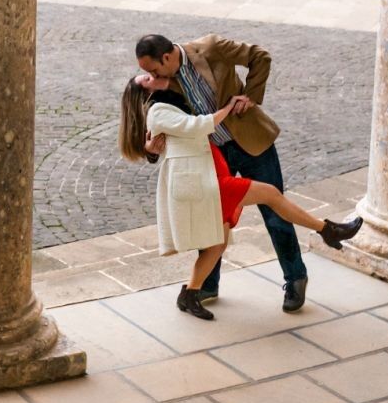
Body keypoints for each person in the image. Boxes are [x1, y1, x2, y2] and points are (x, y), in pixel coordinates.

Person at [120, 74, 362, 320]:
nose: (155, 75)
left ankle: (190, 294)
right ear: (144, 93)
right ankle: (326, 229)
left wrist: (150, 148)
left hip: (212, 167)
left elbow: (169, 137)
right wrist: (227, 107)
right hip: (209, 179)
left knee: (218, 244)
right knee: (270, 195)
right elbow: (196, 126)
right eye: (148, 77)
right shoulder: (158, 109)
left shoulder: (171, 91)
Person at [136, 31, 323, 312]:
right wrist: (150, 148)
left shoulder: (210, 48)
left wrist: (251, 96)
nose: (152, 75)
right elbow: (155, 123)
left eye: (152, 68)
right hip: (212, 153)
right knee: (210, 220)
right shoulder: (164, 82)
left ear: (166, 57)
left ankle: (295, 277)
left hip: (251, 143)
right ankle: (207, 285)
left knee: (274, 213)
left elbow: (259, 56)